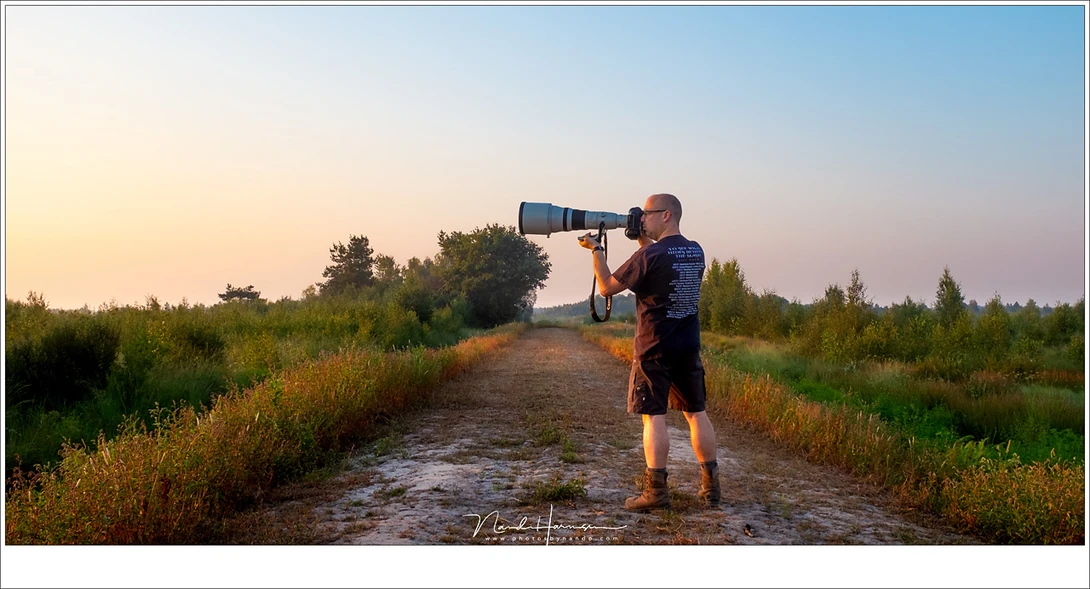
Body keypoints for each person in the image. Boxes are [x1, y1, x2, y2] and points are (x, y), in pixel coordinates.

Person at [578, 193, 720, 511]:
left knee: (653, 418)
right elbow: (660, 264)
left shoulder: (650, 255)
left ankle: (656, 492)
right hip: (687, 346)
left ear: (666, 215)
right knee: (696, 414)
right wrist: (643, 239)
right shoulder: (695, 251)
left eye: (647, 214)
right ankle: (711, 489)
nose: (642, 218)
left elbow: (606, 286)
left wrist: (596, 250)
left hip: (654, 347)